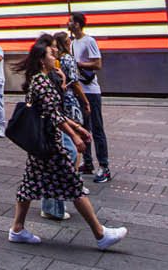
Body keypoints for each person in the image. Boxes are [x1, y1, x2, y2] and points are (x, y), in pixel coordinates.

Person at [7, 41, 126, 250]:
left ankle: (17, 229)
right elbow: (53, 115)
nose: (55, 58)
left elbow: (56, 112)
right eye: (51, 55)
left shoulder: (41, 80)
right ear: (42, 60)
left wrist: (77, 129)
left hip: (42, 148)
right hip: (50, 148)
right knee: (74, 185)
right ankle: (100, 234)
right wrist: (75, 136)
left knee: (28, 187)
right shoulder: (41, 82)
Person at [42, 31, 92, 222]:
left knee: (36, 176)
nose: (55, 51)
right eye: (51, 49)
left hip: (56, 123)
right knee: (67, 156)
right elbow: (53, 109)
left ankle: (21, 224)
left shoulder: (51, 71)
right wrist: (75, 132)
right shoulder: (42, 79)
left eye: (56, 46)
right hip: (55, 124)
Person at [69, 12, 111, 183]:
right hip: (79, 89)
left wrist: (79, 64)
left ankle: (104, 166)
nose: (69, 24)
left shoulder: (89, 41)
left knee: (97, 128)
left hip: (91, 90)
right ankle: (88, 163)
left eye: (71, 21)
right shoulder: (72, 43)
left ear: (78, 24)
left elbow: (97, 64)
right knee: (83, 128)